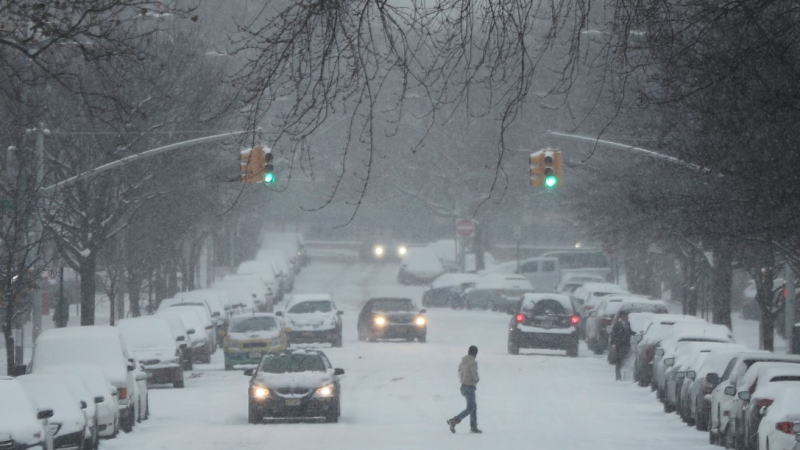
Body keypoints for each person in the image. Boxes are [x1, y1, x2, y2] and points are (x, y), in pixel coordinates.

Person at [447, 345, 481, 434]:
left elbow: (459, 373)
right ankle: (454, 420)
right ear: (475, 353)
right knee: (470, 408)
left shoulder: (463, 361)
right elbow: (474, 375)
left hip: (463, 387)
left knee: (473, 406)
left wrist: (463, 380)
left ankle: (473, 426)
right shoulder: (473, 362)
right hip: (469, 386)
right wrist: (476, 379)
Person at [609, 311, 635, 381]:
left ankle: (625, 376)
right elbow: (613, 334)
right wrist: (614, 343)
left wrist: (635, 333)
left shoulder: (628, 323)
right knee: (619, 361)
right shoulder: (617, 324)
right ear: (621, 317)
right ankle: (618, 376)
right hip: (619, 345)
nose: (626, 317)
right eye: (625, 316)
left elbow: (629, 332)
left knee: (626, 360)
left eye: (627, 316)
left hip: (627, 344)